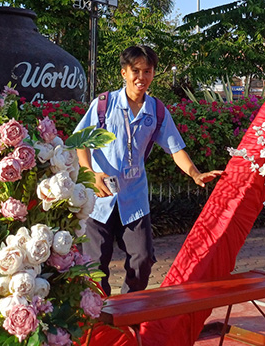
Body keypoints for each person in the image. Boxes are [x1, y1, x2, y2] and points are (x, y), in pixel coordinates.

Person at [74, 45, 223, 295]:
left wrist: (195, 173)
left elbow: (175, 148)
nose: (141, 77)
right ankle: (99, 320)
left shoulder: (157, 111)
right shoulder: (104, 104)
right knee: (94, 268)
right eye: (135, 70)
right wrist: (90, 173)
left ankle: (129, 312)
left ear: (153, 73)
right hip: (99, 201)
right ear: (124, 72)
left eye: (147, 71)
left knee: (142, 260)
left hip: (134, 199)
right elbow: (81, 142)